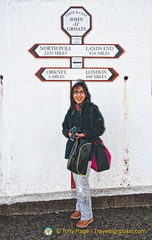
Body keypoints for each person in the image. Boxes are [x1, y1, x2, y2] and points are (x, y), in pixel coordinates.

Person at [62, 80, 105, 228]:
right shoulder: (72, 110)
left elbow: (100, 129)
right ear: (72, 94)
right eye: (75, 92)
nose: (78, 95)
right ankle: (80, 208)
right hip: (73, 150)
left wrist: (84, 134)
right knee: (77, 179)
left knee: (82, 182)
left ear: (86, 94)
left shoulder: (92, 109)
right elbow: (64, 127)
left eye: (81, 92)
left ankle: (87, 216)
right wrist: (68, 133)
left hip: (86, 150)